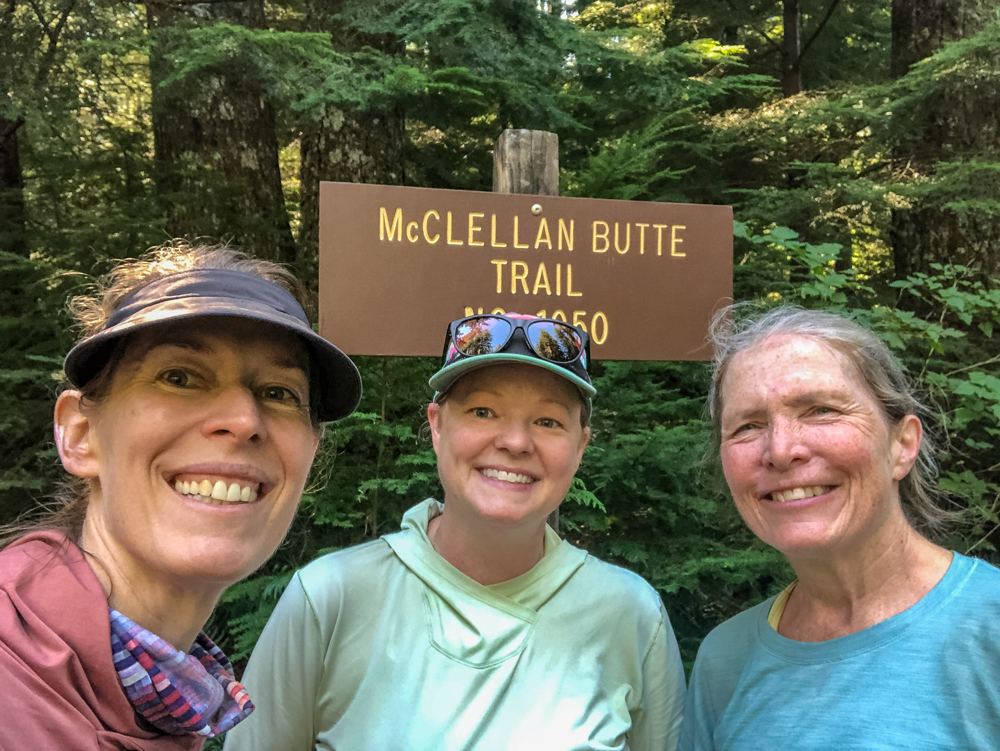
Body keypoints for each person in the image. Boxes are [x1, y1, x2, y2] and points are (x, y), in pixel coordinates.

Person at [225, 313, 686, 751]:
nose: (515, 442)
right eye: (483, 411)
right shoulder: (330, 598)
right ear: (437, 426)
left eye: (548, 421)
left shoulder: (632, 615)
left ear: (580, 447)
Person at [0, 243, 361, 749]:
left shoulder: (158, 692)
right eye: (179, 378)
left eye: (279, 392)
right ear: (80, 435)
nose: (243, 421)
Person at [679, 306, 1000, 750]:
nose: (781, 450)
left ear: (902, 444)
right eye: (748, 426)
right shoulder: (725, 660)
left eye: (820, 410)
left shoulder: (990, 628)